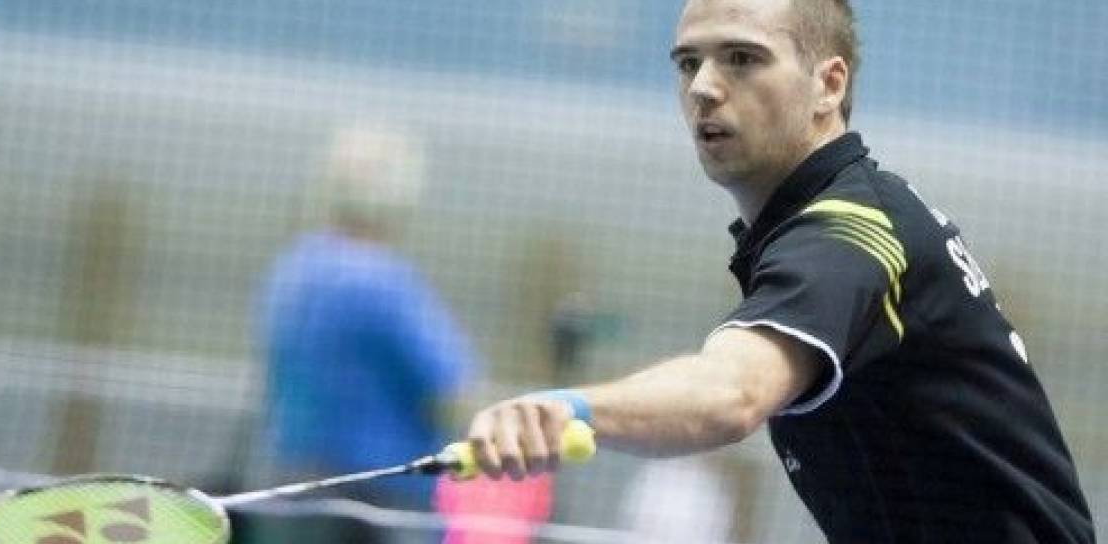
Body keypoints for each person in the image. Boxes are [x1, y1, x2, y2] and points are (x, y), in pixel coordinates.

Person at [460, 0, 1096, 542]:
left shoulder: (853, 232)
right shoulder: (826, 227)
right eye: (688, 63)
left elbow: (731, 394)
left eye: (742, 58)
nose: (703, 87)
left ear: (829, 85)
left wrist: (565, 409)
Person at [247, 123, 475, 543]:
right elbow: (452, 394)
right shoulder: (382, 281)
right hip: (377, 502)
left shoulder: (294, 268)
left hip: (293, 485)